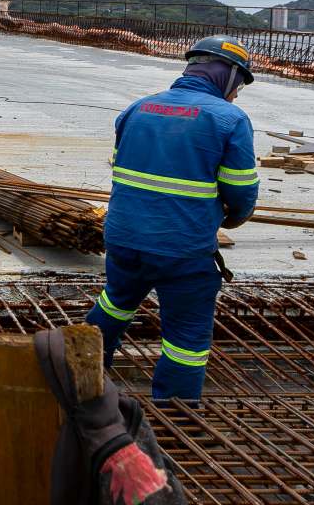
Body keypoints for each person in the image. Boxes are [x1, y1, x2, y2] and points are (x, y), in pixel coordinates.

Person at [87, 35, 260, 402]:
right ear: (228, 74)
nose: (237, 93)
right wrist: (234, 218)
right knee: (186, 338)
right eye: (239, 84)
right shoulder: (229, 119)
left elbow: (122, 167)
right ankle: (175, 413)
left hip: (124, 237)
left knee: (116, 302)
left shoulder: (137, 108)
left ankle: (81, 377)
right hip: (182, 248)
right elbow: (241, 191)